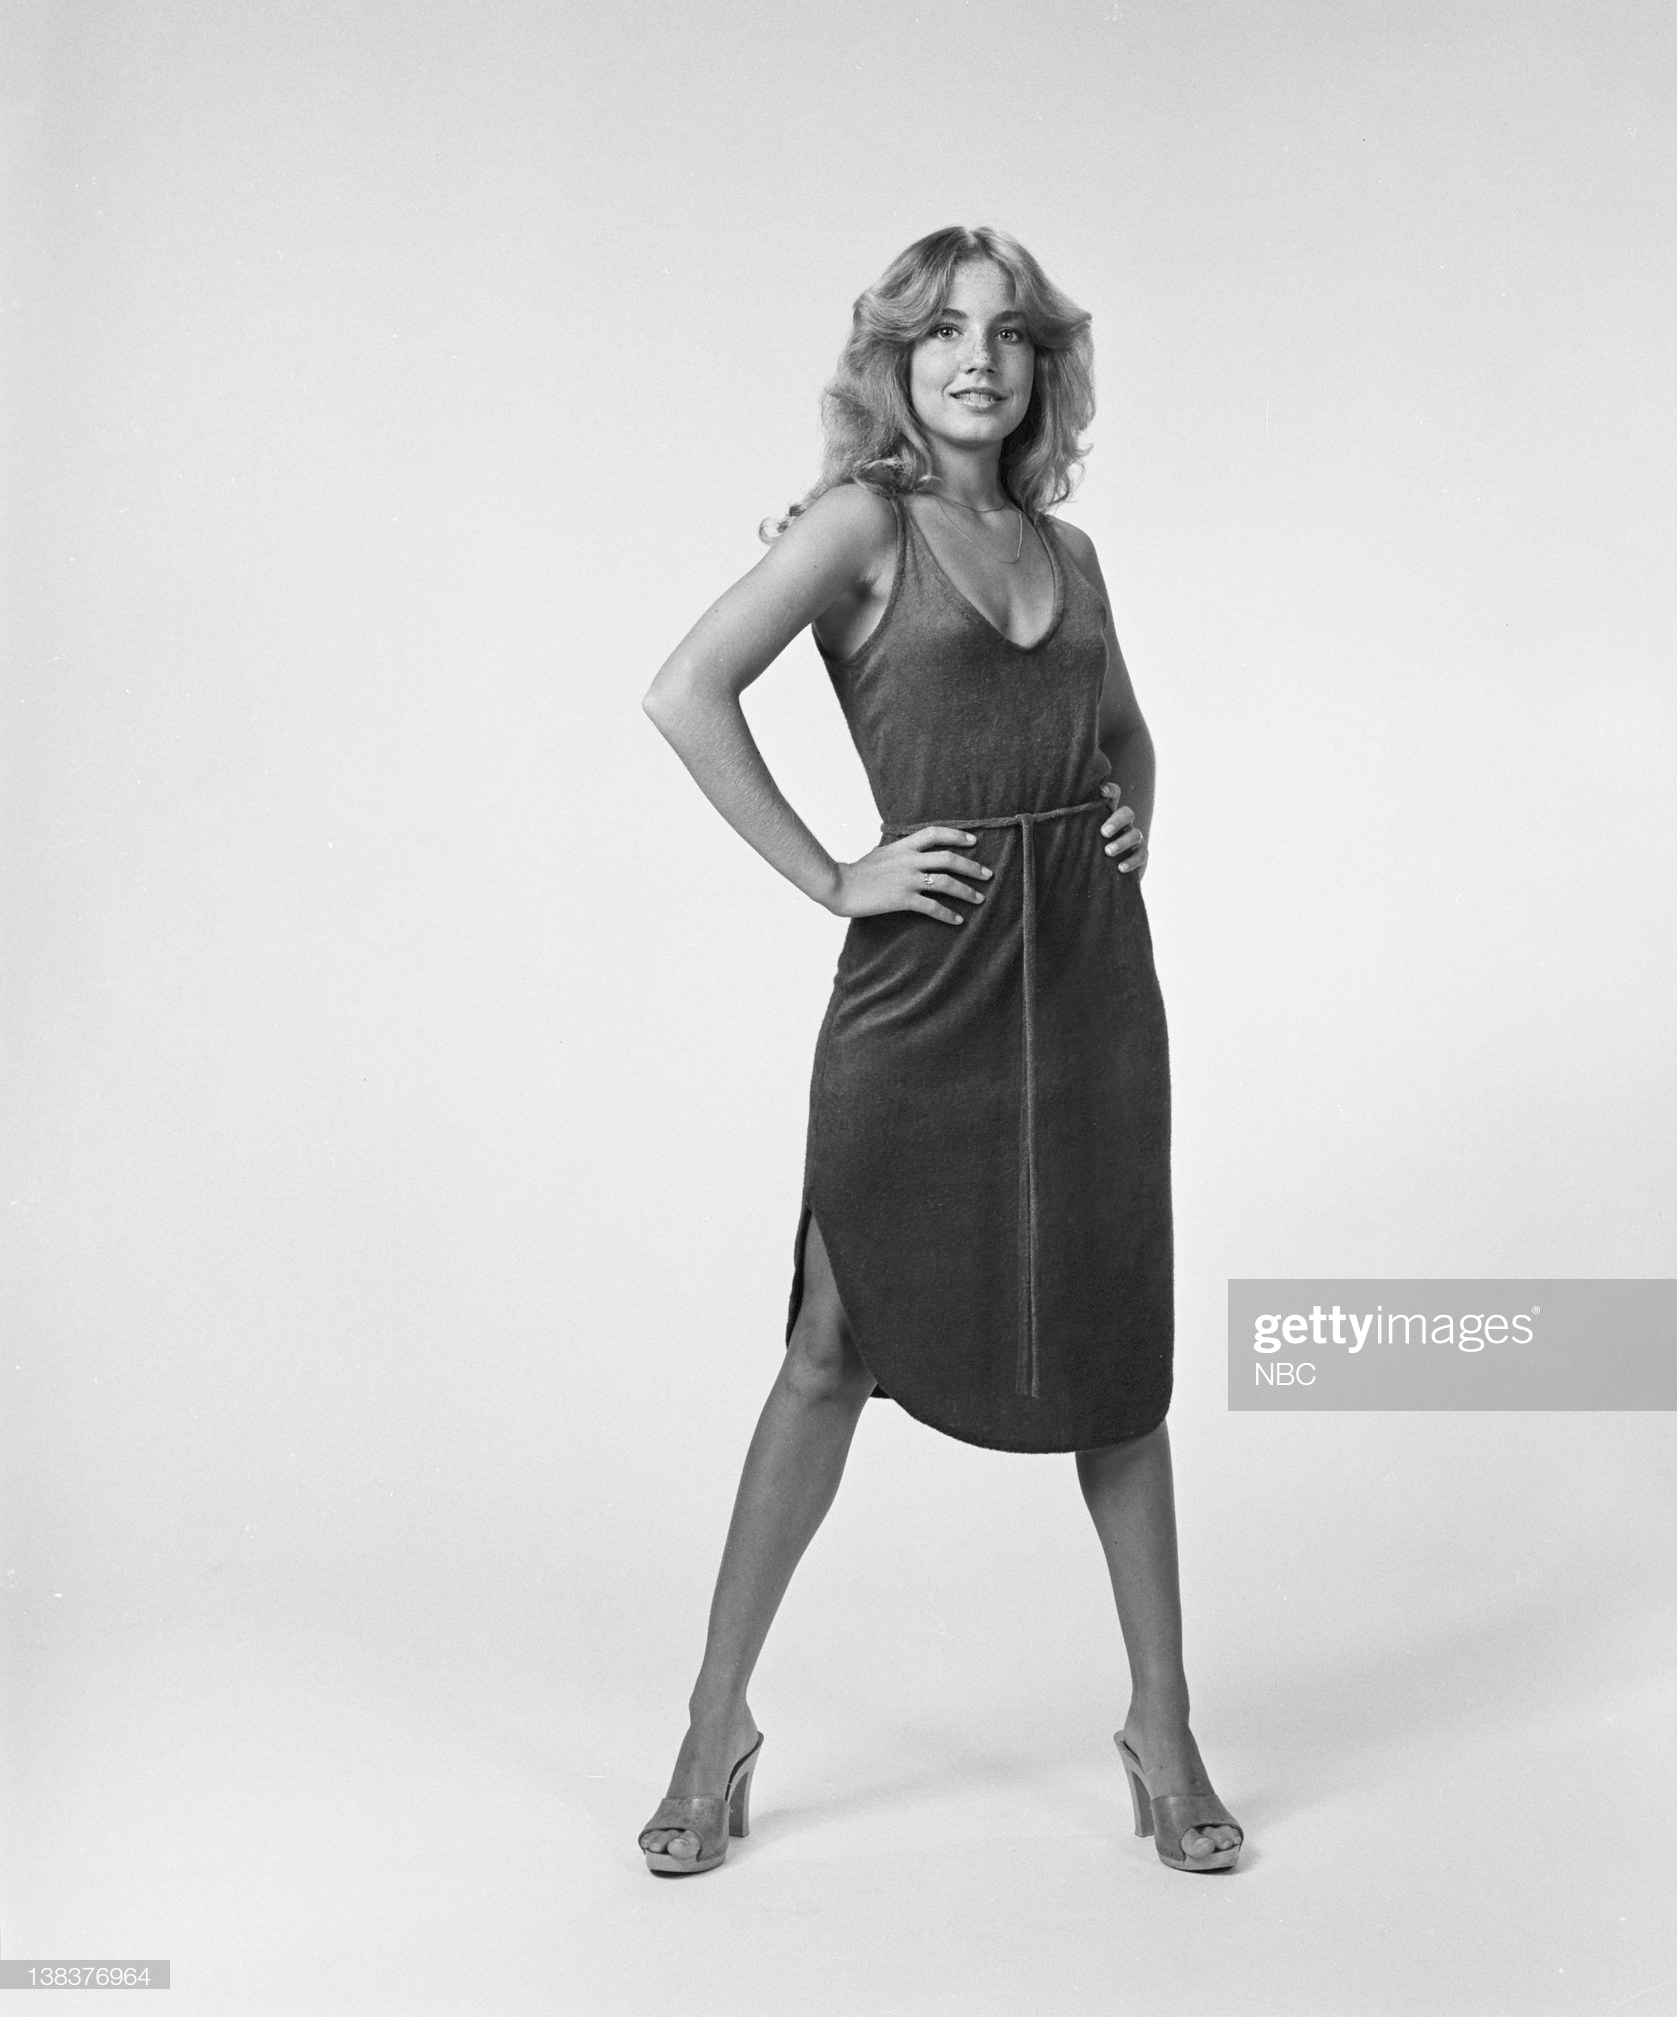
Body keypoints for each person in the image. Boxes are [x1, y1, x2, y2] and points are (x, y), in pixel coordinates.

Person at [637, 225, 1243, 1877]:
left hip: (1094, 990)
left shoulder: (1071, 549)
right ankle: (711, 1725)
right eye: (946, 331)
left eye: (1010, 334)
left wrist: (1126, 820)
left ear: (1044, 366)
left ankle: (1166, 1726)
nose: (980, 357)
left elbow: (1125, 734)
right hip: (927, 987)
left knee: (1119, 1354)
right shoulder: (861, 523)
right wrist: (838, 873)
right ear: (897, 361)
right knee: (832, 1343)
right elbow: (686, 690)